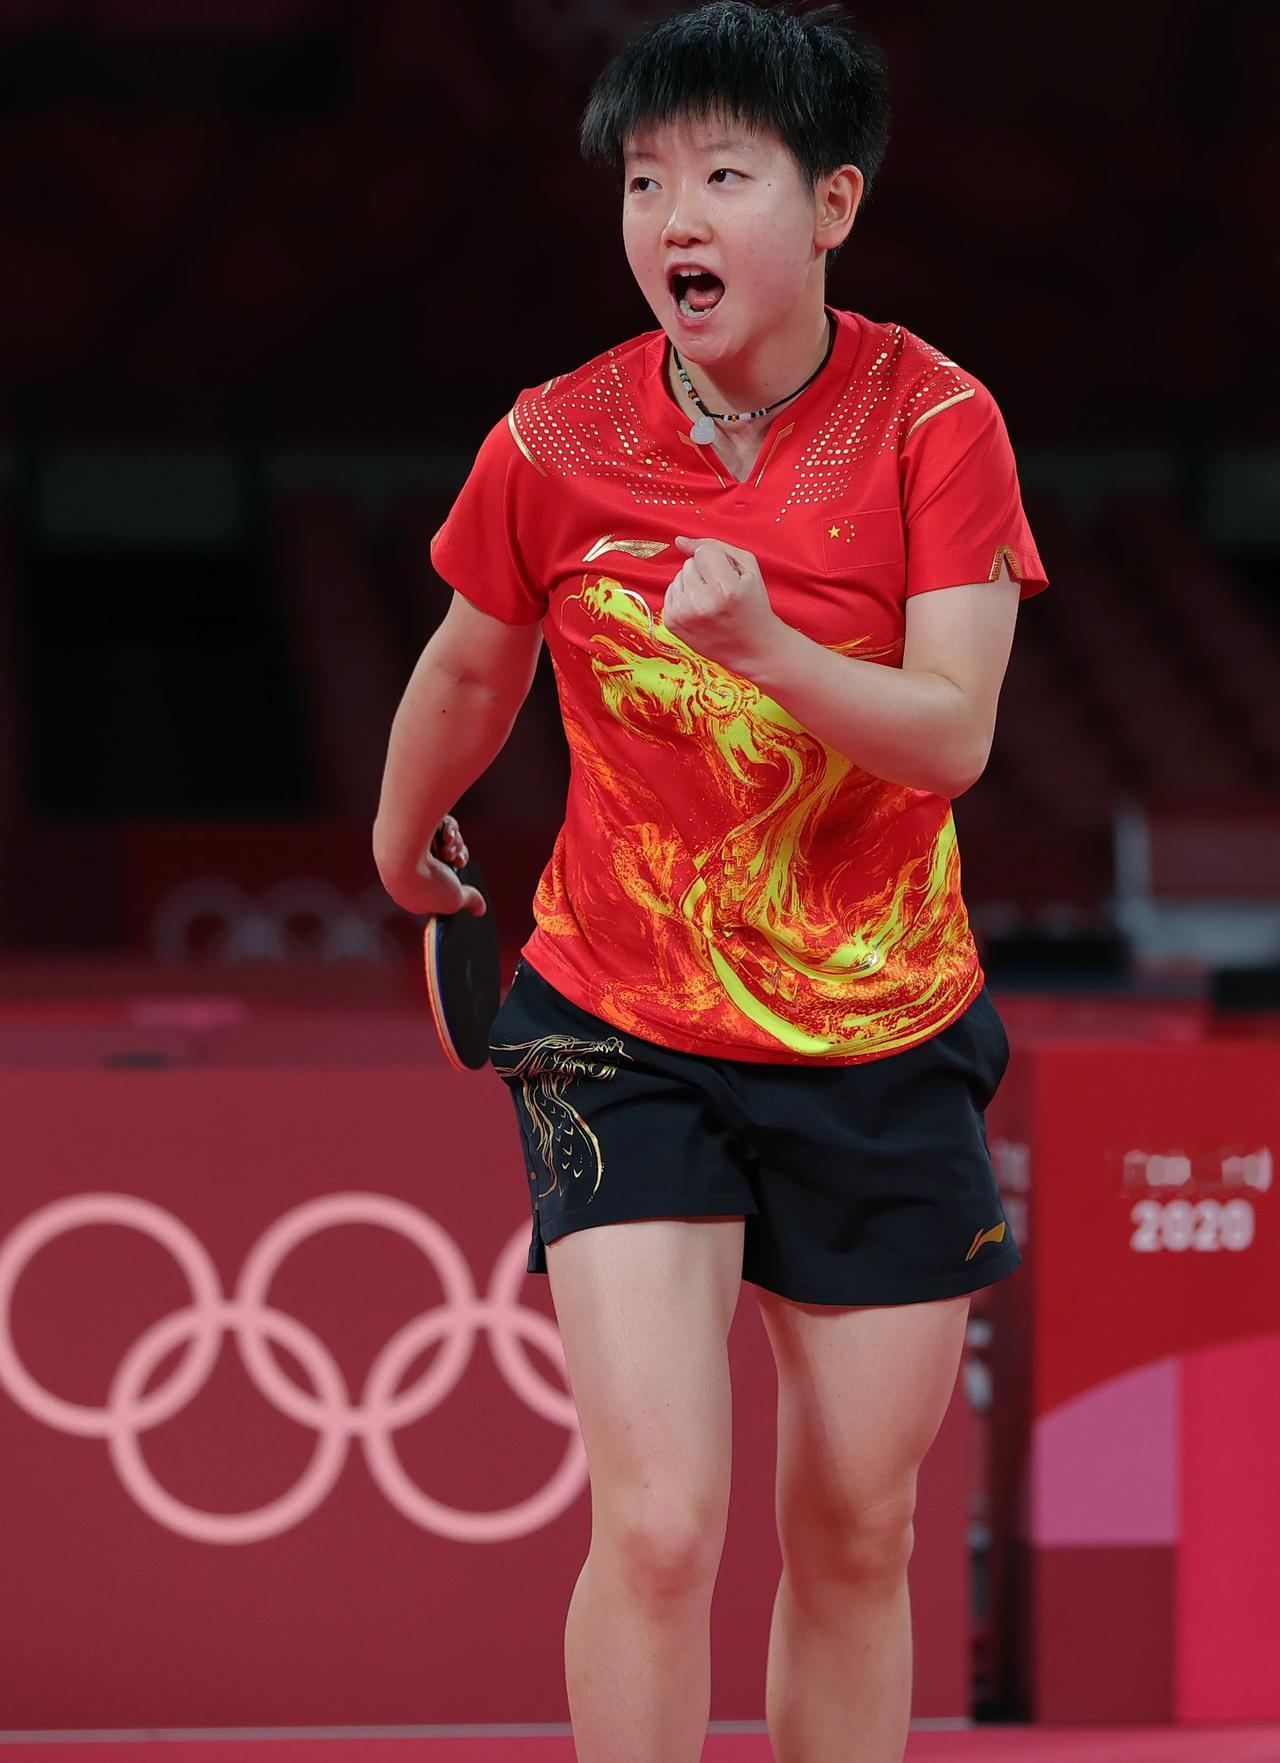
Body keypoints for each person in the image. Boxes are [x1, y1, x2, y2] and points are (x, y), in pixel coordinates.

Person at [373, 3, 1048, 1759]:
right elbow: (473, 661)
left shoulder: (938, 423)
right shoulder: (553, 441)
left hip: (882, 1031)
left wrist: (765, 652)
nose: (673, 216)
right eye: (644, 180)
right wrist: (400, 829)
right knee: (662, 1526)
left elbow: (951, 735)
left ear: (832, 204)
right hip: (623, 1023)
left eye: (724, 176)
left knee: (858, 1529)